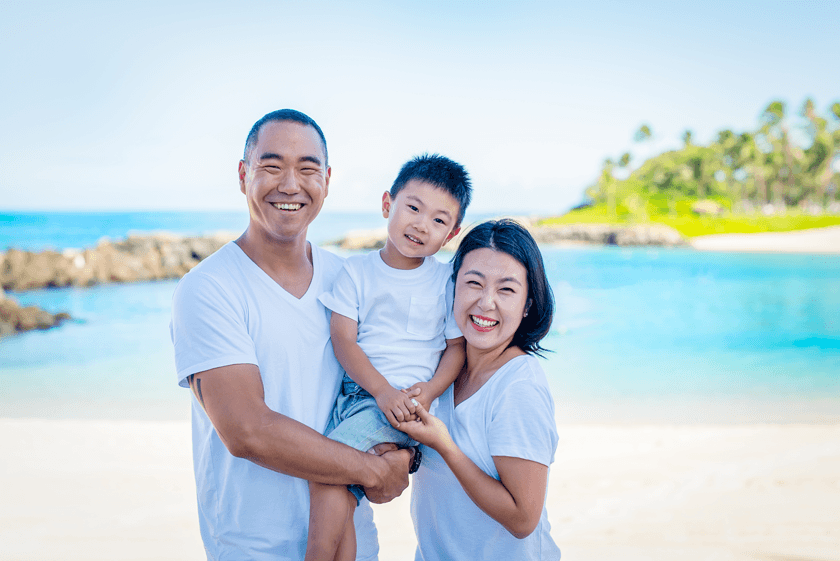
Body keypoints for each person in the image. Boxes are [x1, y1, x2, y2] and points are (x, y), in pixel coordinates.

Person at [169, 109, 415, 561]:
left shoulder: (349, 281)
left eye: (307, 169)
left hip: (354, 543)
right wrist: (370, 470)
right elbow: (247, 430)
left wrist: (404, 458)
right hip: (252, 547)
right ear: (244, 175)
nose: (290, 184)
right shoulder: (209, 288)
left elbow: (387, 385)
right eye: (271, 166)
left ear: (326, 180)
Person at [306, 154, 473, 561]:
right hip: (360, 395)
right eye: (413, 208)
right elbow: (344, 340)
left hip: (402, 404)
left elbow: (455, 349)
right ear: (387, 205)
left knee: (326, 474)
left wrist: (429, 392)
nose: (420, 224)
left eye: (438, 220)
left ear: (452, 233)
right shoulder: (356, 272)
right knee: (343, 484)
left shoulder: (443, 282)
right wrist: (378, 391)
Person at [400, 219, 562, 560]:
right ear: (453, 288)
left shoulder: (518, 387)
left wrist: (444, 445)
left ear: (528, 304)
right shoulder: (440, 371)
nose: (486, 303)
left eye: (506, 290)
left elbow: (523, 518)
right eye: (474, 283)